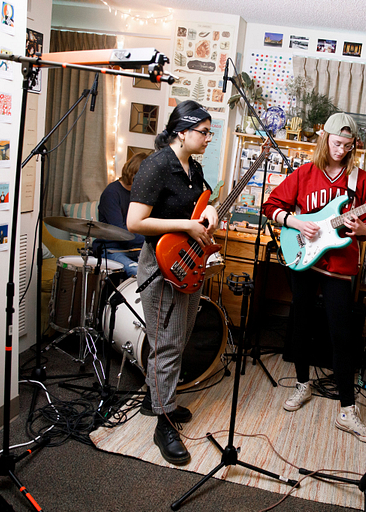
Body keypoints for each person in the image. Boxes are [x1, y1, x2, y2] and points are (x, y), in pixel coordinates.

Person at [261, 112, 366, 444]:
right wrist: (296, 223)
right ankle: (302, 385)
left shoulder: (360, 180)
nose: (340, 149)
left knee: (341, 335)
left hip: (339, 266)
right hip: (304, 259)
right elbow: (271, 206)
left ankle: (347, 409)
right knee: (301, 324)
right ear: (324, 139)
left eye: (347, 144)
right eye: (335, 142)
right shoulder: (305, 173)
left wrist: (362, 228)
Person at [126, 100, 218, 465]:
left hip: (187, 263)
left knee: (178, 338)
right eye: (204, 132)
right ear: (182, 132)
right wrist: (186, 226)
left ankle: (157, 399)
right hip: (160, 265)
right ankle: (163, 422)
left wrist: (208, 210)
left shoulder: (191, 168)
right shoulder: (156, 165)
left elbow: (204, 199)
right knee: (166, 344)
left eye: (210, 132)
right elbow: (135, 222)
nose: (209, 138)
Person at [92, 152, 146, 277]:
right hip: (112, 249)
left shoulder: (139, 194)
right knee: (137, 272)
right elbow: (119, 232)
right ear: (135, 174)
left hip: (135, 249)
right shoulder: (111, 192)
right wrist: (148, 238)